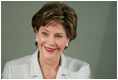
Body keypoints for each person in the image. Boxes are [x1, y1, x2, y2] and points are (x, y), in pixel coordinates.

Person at [2, 2, 92, 79]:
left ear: (68, 38)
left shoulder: (82, 71)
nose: (51, 42)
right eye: (45, 33)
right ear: (36, 32)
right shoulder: (13, 70)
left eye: (58, 36)